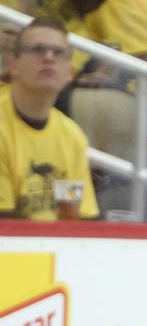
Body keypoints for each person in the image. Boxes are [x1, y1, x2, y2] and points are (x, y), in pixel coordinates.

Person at [0, 17, 97, 220]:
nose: (49, 58)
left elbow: (84, 219)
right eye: (37, 50)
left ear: (69, 73)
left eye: (59, 53)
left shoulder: (72, 135)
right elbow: (5, 225)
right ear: (12, 65)